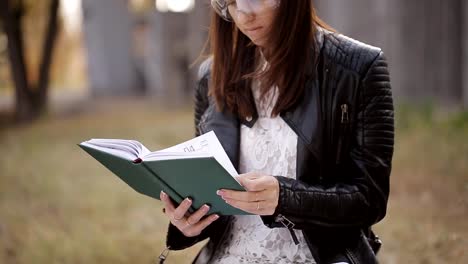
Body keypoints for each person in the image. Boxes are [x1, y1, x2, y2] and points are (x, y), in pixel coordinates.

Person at [159, 0, 394, 263]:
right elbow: (213, 193)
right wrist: (186, 223)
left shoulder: (357, 67)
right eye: (231, 2)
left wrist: (285, 198)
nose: (244, 14)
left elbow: (369, 199)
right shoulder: (212, 76)